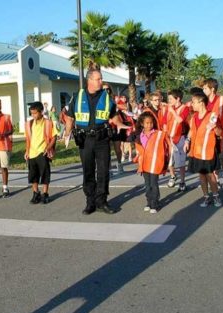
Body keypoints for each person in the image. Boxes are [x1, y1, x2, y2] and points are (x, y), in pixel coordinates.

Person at [64, 64, 129, 214]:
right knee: (88, 171)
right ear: (90, 80)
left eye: (101, 79)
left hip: (102, 138)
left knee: (104, 171)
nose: (101, 81)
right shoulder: (77, 96)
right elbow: (69, 117)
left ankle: (102, 201)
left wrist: (120, 124)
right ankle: (90, 202)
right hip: (84, 139)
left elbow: (114, 115)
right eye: (98, 79)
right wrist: (67, 133)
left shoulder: (107, 98)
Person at [184, 92, 223, 208]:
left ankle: (216, 196)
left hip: (208, 151)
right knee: (201, 175)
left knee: (210, 176)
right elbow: (191, 130)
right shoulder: (193, 117)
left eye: (194, 102)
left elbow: (220, 133)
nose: (192, 104)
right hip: (196, 151)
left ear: (201, 102)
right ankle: (206, 197)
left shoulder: (212, 116)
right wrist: (187, 140)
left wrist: (215, 127)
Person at [132, 112, 171, 213]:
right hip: (144, 164)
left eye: (151, 123)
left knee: (154, 183)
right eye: (147, 123)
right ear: (142, 124)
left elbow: (168, 144)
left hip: (154, 163)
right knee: (147, 184)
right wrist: (137, 156)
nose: (149, 125)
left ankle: (155, 203)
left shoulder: (158, 134)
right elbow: (140, 149)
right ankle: (149, 202)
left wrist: (168, 159)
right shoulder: (139, 136)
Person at [24, 101, 58, 204]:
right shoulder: (29, 124)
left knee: (45, 174)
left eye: (35, 113)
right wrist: (27, 151)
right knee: (33, 176)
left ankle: (45, 194)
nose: (33, 115)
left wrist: (48, 148)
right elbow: (28, 139)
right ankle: (36, 193)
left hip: (43, 152)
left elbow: (54, 137)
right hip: (32, 153)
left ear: (41, 112)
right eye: (31, 113)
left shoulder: (48, 123)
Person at [202, 78, 223, 189]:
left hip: (221, 132)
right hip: (209, 134)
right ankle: (216, 178)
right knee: (213, 157)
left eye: (205, 88)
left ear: (212, 89)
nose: (203, 90)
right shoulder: (203, 102)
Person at [162, 89, 190, 191]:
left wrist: (173, 111)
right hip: (170, 137)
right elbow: (164, 122)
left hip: (180, 137)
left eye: (170, 98)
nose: (168, 101)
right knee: (170, 161)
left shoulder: (185, 108)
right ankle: (173, 176)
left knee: (181, 162)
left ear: (177, 98)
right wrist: (165, 135)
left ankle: (182, 181)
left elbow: (180, 120)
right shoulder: (169, 109)